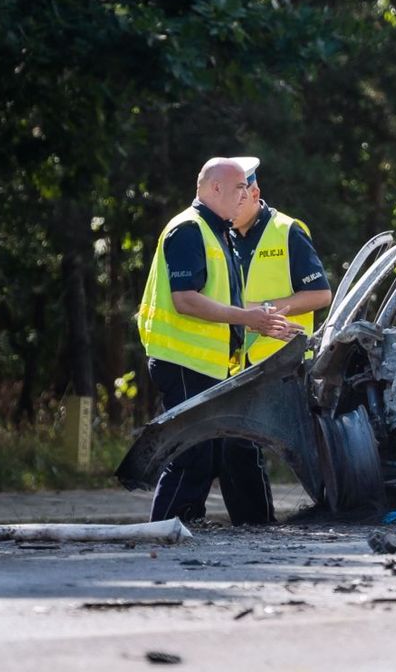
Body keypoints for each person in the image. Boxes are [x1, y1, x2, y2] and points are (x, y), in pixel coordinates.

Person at [136, 157, 301, 524]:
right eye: (240, 187)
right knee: (192, 454)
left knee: (208, 452)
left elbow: (219, 301)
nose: (246, 194)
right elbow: (185, 299)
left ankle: (184, 525)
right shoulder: (188, 229)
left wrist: (258, 324)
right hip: (183, 360)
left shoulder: (218, 232)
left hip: (205, 363)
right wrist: (246, 318)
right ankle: (168, 528)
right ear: (215, 188)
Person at [232, 159, 332, 364]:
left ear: (255, 194)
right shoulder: (220, 234)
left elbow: (321, 295)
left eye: (238, 201)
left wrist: (263, 310)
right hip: (235, 364)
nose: (230, 209)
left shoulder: (287, 231)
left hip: (284, 363)